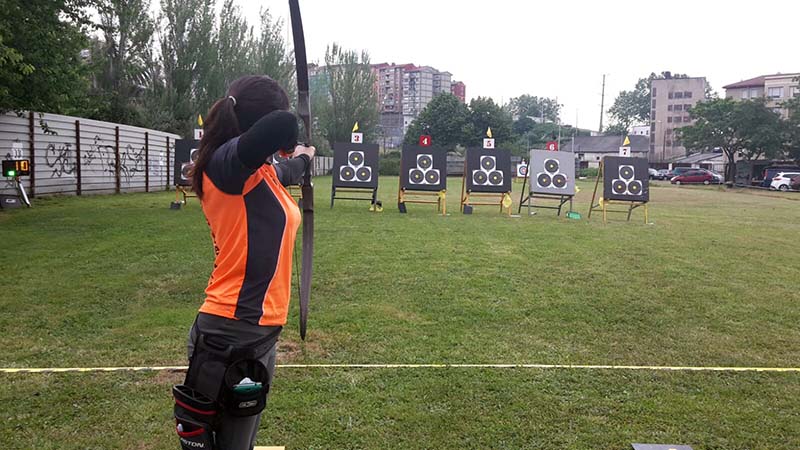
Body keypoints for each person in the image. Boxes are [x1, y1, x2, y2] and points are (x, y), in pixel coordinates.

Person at [178, 75, 314, 450]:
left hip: (254, 329)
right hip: (233, 330)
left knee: (240, 441)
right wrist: (291, 141)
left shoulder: (257, 174)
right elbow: (283, 124)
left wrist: (303, 158)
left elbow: (287, 171)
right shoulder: (225, 164)